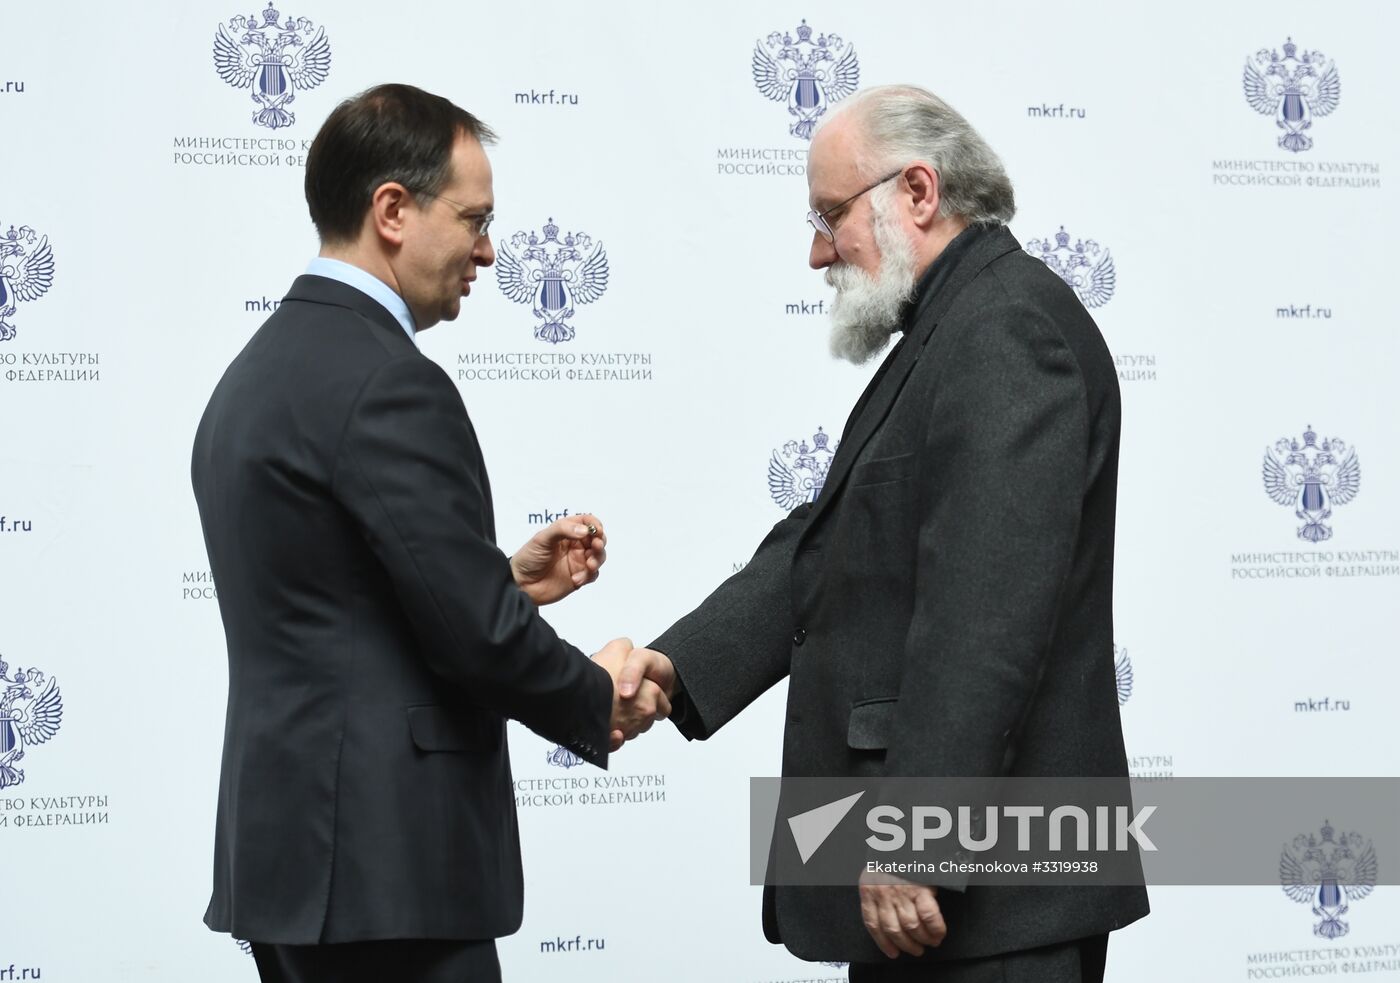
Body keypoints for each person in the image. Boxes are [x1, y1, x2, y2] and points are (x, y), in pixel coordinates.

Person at [621, 85, 1149, 981]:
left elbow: (986, 614)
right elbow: (828, 546)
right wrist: (675, 669)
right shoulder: (952, 326)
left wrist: (918, 835)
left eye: (830, 216)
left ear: (917, 191)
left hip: (985, 895)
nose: (818, 251)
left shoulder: (1006, 330)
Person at [190, 83, 667, 983]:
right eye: (475, 219)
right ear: (393, 211)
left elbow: (334, 592)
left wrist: (500, 579)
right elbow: (477, 639)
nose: (488, 250)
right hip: (387, 870)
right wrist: (591, 693)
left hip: (295, 861)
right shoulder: (389, 382)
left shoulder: (253, 375)